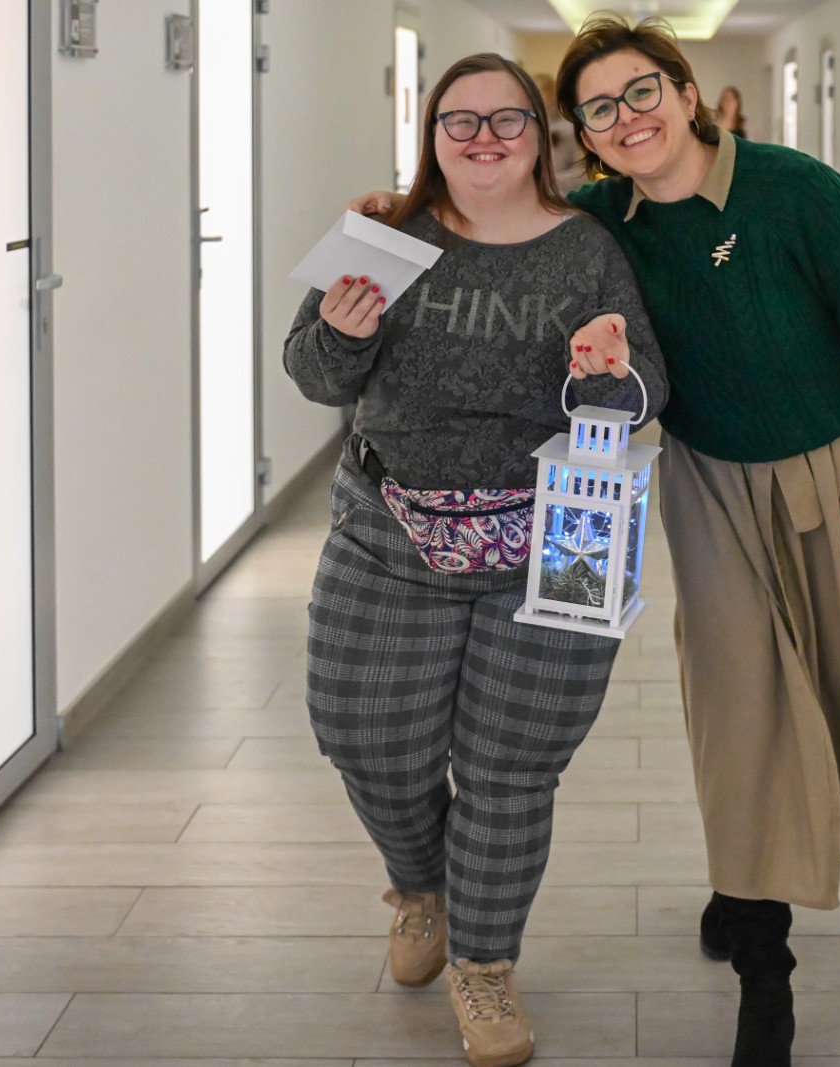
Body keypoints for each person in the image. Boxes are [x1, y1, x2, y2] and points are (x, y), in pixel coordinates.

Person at [347, 17, 840, 1066]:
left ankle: (743, 882)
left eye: (641, 93)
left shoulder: (800, 193)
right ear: (579, 135)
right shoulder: (598, 221)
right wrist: (389, 219)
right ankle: (765, 962)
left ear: (685, 91)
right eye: (598, 108)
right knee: (740, 708)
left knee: (835, 694)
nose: (626, 119)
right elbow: (495, 213)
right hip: (709, 482)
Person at [285, 52, 667, 1067]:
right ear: (431, 134)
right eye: (462, 120)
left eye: (508, 119)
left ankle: (485, 964)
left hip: (560, 536)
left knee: (511, 769)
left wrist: (607, 372)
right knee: (363, 734)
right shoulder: (381, 233)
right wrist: (341, 332)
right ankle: (422, 887)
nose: (485, 138)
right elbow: (312, 373)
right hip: (387, 528)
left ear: (541, 135)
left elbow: (645, 391)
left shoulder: (586, 248)